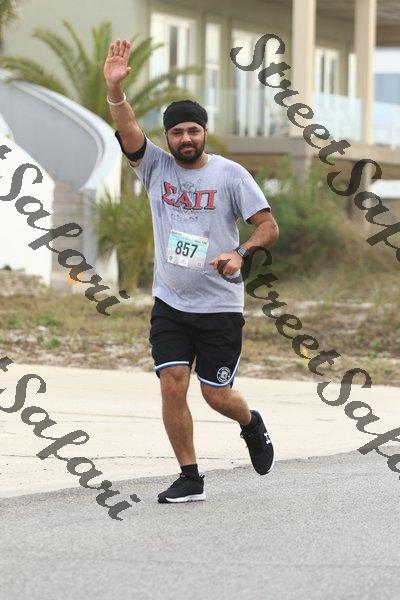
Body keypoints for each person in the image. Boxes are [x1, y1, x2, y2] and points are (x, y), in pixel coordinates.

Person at [104, 38, 280, 504]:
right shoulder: (154, 168)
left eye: (194, 131)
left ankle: (251, 423)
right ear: (166, 137)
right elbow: (127, 128)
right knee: (172, 384)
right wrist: (115, 91)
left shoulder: (230, 174)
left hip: (219, 304)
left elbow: (268, 226)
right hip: (171, 301)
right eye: (178, 132)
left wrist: (241, 252)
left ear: (204, 133)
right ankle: (190, 476)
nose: (186, 139)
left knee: (216, 395)